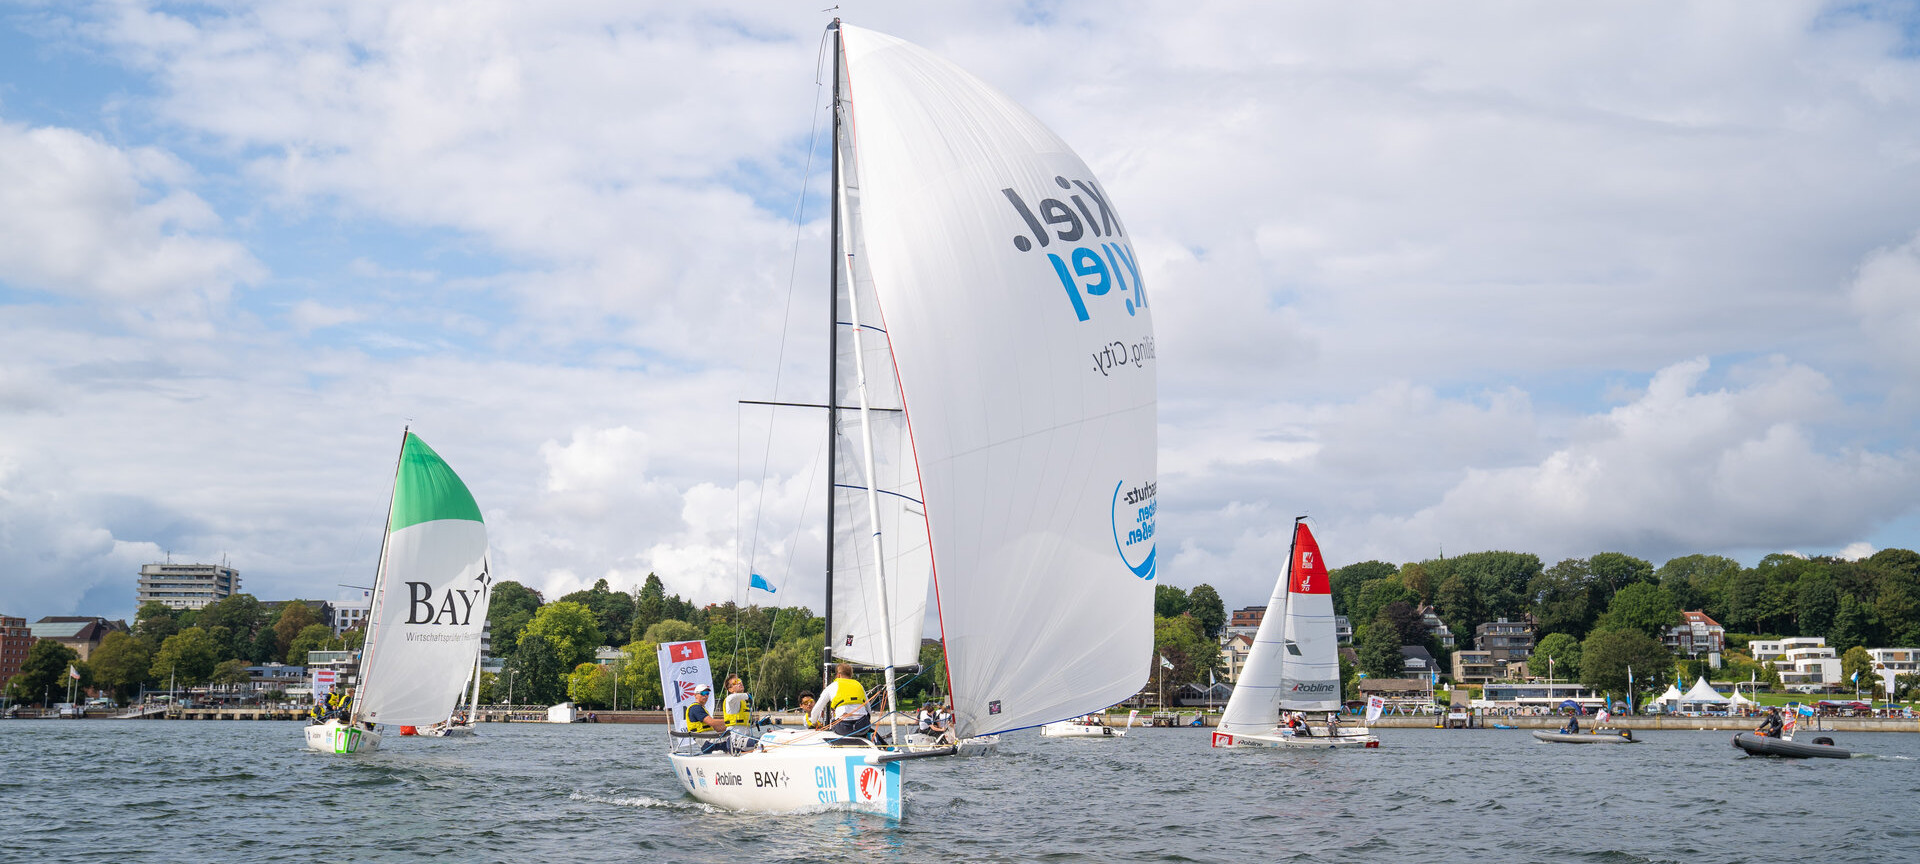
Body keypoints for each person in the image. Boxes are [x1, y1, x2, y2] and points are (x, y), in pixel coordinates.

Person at [812, 663, 872, 739]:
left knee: (833, 721)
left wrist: (813, 722)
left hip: (843, 728)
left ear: (838, 675)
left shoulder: (832, 686)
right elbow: (869, 710)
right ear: (850, 675)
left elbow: (816, 709)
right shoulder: (859, 685)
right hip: (862, 727)